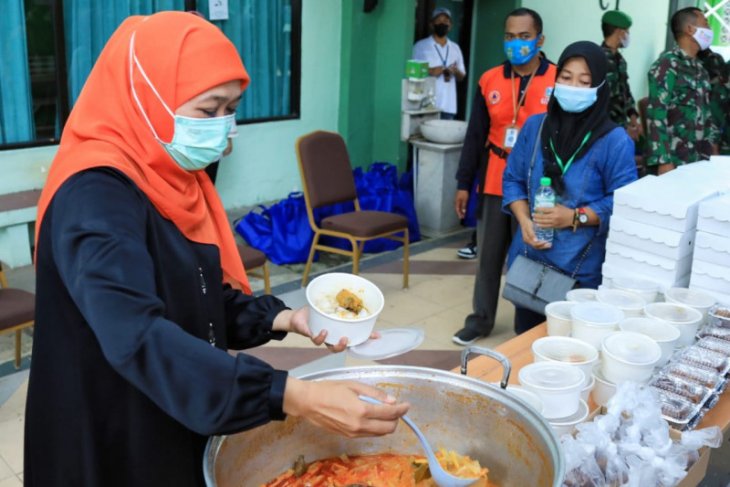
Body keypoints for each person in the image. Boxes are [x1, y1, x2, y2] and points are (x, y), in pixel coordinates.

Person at [24, 12, 408, 487]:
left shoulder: (173, 177)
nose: (225, 128)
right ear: (148, 98)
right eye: (209, 111)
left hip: (170, 404)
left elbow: (194, 297)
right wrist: (294, 396)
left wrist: (285, 318)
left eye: (232, 108)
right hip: (108, 428)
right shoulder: (95, 195)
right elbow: (138, 335)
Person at [502, 41, 638, 334]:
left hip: (579, 270)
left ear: (599, 86)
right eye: (566, 77)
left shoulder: (614, 141)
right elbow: (512, 179)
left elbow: (626, 202)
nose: (573, 86)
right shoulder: (536, 127)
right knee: (525, 341)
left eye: (584, 81)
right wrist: (524, 220)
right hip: (530, 261)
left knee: (568, 349)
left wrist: (575, 217)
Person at [452, 8, 556, 346]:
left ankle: (526, 327)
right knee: (488, 257)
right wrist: (463, 182)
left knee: (529, 257)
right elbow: (475, 134)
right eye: (510, 36)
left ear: (540, 39)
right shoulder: (490, 79)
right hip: (495, 178)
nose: (516, 43)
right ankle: (480, 320)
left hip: (538, 183)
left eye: (524, 36)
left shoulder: (558, 79)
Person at [646, 7, 720, 175]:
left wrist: (711, 150)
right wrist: (663, 161)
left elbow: (706, 114)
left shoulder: (700, 69)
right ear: (690, 29)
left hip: (698, 160)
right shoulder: (667, 65)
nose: (709, 30)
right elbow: (656, 114)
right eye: (706, 24)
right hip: (674, 161)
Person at [412, 7, 466, 119]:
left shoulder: (455, 48)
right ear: (432, 24)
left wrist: (455, 71)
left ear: (450, 26)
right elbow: (412, 72)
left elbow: (462, 76)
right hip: (426, 105)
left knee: (446, 136)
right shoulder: (420, 46)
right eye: (439, 20)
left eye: (446, 21)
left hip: (448, 106)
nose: (442, 23)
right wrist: (431, 70)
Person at [600, 10, 641, 141]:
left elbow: (625, 92)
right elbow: (602, 103)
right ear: (619, 32)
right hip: (604, 131)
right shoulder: (599, 59)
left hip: (619, 128)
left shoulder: (619, 60)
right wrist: (623, 128)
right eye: (627, 31)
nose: (628, 35)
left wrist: (634, 119)